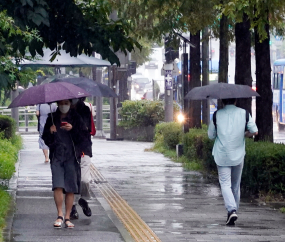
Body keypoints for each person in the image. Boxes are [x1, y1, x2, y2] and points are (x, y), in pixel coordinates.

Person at [208, 98, 258, 226]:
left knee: (225, 184)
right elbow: (254, 131)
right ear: (235, 101)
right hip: (238, 154)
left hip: (222, 155)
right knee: (235, 185)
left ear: (223, 102)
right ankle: (233, 211)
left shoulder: (217, 115)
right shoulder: (244, 113)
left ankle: (231, 210)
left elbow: (211, 136)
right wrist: (244, 134)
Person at [42, 99, 91, 229]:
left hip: (72, 156)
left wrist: (73, 129)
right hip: (57, 156)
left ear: (70, 104)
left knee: (70, 187)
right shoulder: (51, 117)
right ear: (57, 104)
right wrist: (50, 132)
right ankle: (60, 215)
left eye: (66, 103)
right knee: (57, 185)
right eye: (61, 103)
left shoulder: (76, 117)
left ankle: (68, 217)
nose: (64, 106)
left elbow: (83, 137)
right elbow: (45, 138)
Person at [69, 97, 94, 220]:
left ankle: (83, 199)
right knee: (72, 179)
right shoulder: (62, 110)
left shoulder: (84, 109)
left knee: (85, 179)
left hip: (84, 148)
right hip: (68, 150)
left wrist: (72, 126)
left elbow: (85, 129)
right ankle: (72, 207)